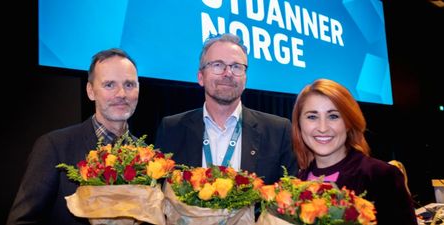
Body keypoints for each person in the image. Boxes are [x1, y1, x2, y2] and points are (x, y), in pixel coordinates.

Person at [7, 48, 140, 225]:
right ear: (91, 91)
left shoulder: (146, 155)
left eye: (129, 84)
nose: (121, 94)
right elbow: (21, 221)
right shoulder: (55, 147)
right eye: (109, 85)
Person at [155, 33, 297, 185]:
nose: (228, 73)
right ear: (201, 77)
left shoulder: (278, 131)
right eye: (218, 65)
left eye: (236, 67)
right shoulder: (171, 129)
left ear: (245, 79)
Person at [291, 78, 417, 225]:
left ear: (349, 123)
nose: (323, 127)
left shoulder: (380, 175)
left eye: (333, 116)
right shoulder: (298, 182)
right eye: (312, 117)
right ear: (299, 124)